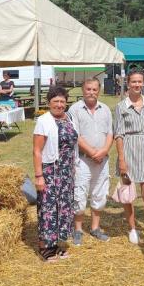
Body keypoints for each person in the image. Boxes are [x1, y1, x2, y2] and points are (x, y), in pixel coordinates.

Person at [33, 86, 79, 262]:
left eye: (62, 101)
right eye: (55, 101)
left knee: (63, 207)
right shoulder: (43, 120)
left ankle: (57, 243)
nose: (59, 105)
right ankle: (44, 246)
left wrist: (73, 167)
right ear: (49, 103)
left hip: (66, 172)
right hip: (50, 171)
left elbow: (72, 145)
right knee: (48, 208)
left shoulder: (69, 119)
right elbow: (37, 150)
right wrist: (39, 176)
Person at [68, 78, 113, 245]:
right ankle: (78, 229)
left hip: (102, 160)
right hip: (83, 160)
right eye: (88, 89)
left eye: (94, 89)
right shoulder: (75, 109)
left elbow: (110, 133)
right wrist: (93, 152)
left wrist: (104, 151)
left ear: (99, 91)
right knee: (80, 195)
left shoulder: (106, 109)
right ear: (82, 90)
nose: (91, 92)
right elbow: (75, 136)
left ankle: (95, 228)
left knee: (99, 193)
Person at [114, 70, 144, 245]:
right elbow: (118, 134)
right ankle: (132, 228)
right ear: (128, 83)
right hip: (128, 149)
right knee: (128, 194)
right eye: (133, 82)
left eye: (140, 82)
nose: (137, 85)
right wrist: (122, 160)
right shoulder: (121, 107)